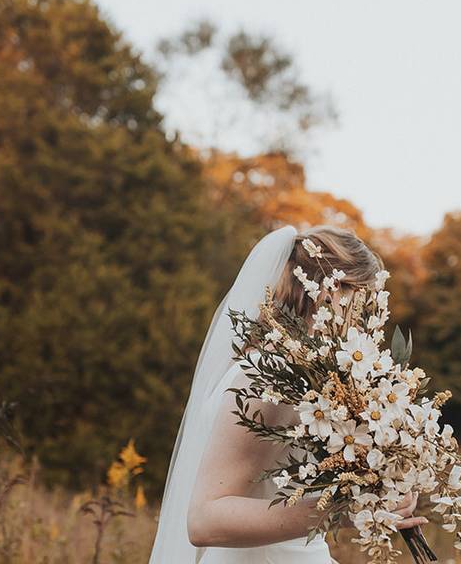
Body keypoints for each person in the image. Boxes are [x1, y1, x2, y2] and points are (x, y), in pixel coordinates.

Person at [150, 225, 425, 564]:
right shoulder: (268, 378)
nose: (370, 318)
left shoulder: (302, 373)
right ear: (332, 291)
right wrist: (350, 510)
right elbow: (206, 518)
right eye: (365, 298)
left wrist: (385, 486)